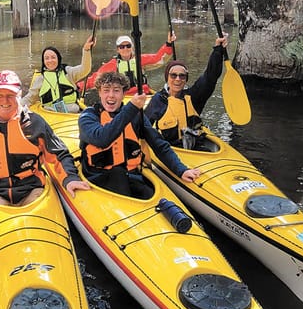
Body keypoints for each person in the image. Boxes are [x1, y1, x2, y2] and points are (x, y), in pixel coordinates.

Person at [0, 70, 90, 206]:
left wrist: (70, 178)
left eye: (11, 95)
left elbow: (60, 154)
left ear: (20, 95)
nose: (5, 100)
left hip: (32, 189)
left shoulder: (36, 124)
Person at [78, 71, 200, 199]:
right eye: (106, 90)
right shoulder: (88, 116)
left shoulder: (135, 115)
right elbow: (102, 139)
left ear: (123, 94)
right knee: (118, 175)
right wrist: (132, 107)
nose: (111, 95)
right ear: (99, 93)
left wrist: (181, 170)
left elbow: (159, 144)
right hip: (99, 178)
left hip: (131, 176)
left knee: (163, 204)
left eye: (116, 90)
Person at [144, 35, 228, 149]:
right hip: (170, 151)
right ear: (167, 78)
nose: (178, 79)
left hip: (196, 147)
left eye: (182, 76)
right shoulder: (159, 100)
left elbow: (210, 76)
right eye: (173, 75)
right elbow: (143, 127)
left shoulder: (194, 97)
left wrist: (218, 50)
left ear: (186, 79)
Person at [79, 31, 177, 93]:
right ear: (118, 50)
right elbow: (95, 79)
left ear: (132, 47)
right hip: (123, 96)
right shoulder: (112, 65)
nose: (125, 49)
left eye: (128, 46)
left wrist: (169, 43)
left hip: (142, 93)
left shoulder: (140, 60)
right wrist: (78, 87)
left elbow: (159, 59)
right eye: (122, 47)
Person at [21, 35, 95, 113]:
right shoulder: (40, 79)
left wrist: (86, 50)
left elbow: (85, 69)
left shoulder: (68, 72)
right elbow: (29, 98)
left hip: (72, 111)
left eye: (53, 57)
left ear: (58, 59)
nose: (50, 61)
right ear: (44, 62)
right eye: (47, 58)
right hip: (50, 112)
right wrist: (17, 106)